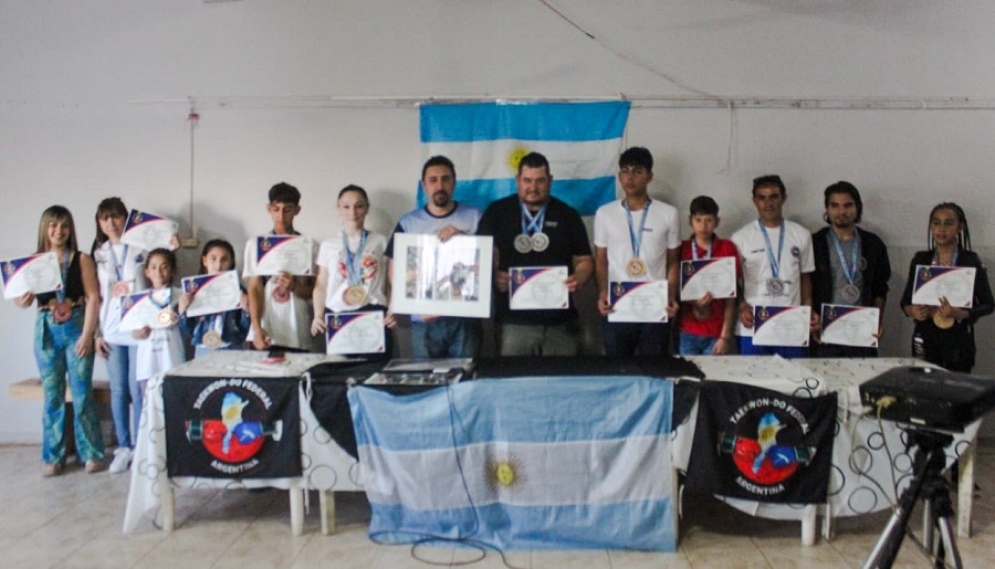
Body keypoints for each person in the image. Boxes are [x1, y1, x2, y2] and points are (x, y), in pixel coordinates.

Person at [16, 206, 105, 476]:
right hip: (46, 329)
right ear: (45, 228)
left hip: (76, 326)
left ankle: (90, 453)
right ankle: (53, 457)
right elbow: (20, 299)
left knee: (81, 394)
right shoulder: (33, 261)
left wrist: (88, 334)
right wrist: (23, 299)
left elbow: (93, 298)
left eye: (64, 226)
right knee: (52, 395)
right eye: (53, 225)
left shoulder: (82, 259)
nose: (59, 231)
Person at [477, 151, 594, 356]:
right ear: (517, 181)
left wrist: (580, 277)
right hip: (513, 324)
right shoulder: (496, 213)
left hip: (561, 323)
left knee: (560, 385)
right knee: (515, 385)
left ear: (550, 181)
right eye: (527, 180)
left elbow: (584, 260)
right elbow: (479, 259)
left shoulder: (567, 215)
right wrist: (492, 276)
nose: (533, 187)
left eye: (540, 180)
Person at [386, 156, 483, 358]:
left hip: (464, 318)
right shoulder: (408, 223)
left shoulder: (474, 216)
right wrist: (413, 306)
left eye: (445, 179)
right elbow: (395, 268)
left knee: (465, 381)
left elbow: (487, 262)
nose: (440, 185)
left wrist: (463, 239)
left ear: (454, 183)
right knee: (426, 380)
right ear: (424, 186)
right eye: (433, 180)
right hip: (424, 320)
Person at [594, 147, 680, 356]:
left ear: (649, 176)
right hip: (618, 306)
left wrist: (669, 296)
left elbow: (673, 262)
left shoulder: (668, 214)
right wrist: (603, 293)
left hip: (655, 307)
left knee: (654, 371)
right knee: (618, 371)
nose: (630, 177)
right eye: (625, 170)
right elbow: (601, 261)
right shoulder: (605, 214)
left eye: (638, 171)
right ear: (619, 176)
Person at [900, 202, 994, 372]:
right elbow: (905, 302)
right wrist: (912, 310)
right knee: (925, 390)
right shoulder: (921, 260)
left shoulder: (969, 261)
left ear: (960, 228)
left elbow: (988, 304)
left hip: (958, 340)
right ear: (930, 227)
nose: (941, 229)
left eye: (949, 223)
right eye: (936, 223)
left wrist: (962, 313)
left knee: (956, 391)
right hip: (925, 337)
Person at [731, 175, 815, 358]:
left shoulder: (802, 234)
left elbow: (805, 276)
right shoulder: (740, 238)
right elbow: (732, 281)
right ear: (754, 201)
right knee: (753, 383)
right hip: (753, 325)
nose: (768, 203)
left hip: (791, 324)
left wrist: (807, 308)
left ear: (783, 198)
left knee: (794, 382)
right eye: (762, 197)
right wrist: (742, 306)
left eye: (773, 196)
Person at [91, 197, 145, 474]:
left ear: (126, 217)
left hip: (137, 328)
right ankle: (123, 447)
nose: (110, 223)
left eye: (115, 216)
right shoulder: (98, 253)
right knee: (119, 389)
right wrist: (97, 333)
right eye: (104, 218)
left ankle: (139, 446)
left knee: (138, 389)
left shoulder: (142, 247)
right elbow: (96, 297)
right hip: (110, 329)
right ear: (99, 223)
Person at [312, 185, 396, 360]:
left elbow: (390, 282)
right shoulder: (329, 245)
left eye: (359, 206)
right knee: (340, 375)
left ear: (367, 208)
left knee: (373, 374)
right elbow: (321, 285)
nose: (353, 212)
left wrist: (393, 310)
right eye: (346, 206)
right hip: (338, 316)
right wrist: (317, 315)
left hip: (373, 313)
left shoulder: (380, 241)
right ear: (338, 209)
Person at [811, 182, 891, 357]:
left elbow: (880, 287)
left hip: (862, 330)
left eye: (848, 205)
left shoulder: (873, 244)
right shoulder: (815, 243)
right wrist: (812, 318)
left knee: (861, 382)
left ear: (857, 208)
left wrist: (877, 320)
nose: (841, 212)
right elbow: (806, 285)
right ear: (827, 209)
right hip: (826, 330)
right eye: (835, 206)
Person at [243, 182, 316, 351]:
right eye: (276, 209)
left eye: (287, 209)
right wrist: (256, 328)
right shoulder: (256, 245)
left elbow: (315, 290)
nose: (281, 216)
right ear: (269, 208)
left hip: (297, 328)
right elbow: (254, 289)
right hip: (266, 328)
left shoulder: (309, 245)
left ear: (297, 210)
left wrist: (295, 287)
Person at [678, 196, 740, 355]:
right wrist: (694, 302)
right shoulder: (681, 249)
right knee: (688, 377)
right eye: (698, 220)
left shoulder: (727, 248)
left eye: (709, 220)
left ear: (717, 221)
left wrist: (725, 336)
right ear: (690, 220)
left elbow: (731, 298)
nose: (703, 226)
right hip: (687, 330)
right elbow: (674, 288)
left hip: (716, 332)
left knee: (714, 378)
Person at [178, 239, 250, 359]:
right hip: (203, 348)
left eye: (224, 259)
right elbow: (188, 331)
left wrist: (247, 311)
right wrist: (182, 312)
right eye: (213, 259)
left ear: (231, 262)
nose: (218, 265)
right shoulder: (193, 291)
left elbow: (245, 330)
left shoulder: (239, 291)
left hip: (231, 346)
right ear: (204, 261)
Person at [133, 248, 187, 384]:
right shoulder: (139, 300)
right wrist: (139, 333)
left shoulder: (182, 295)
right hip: (147, 363)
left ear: (172, 270)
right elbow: (134, 332)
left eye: (164, 267)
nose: (158, 272)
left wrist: (180, 314)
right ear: (147, 272)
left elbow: (189, 328)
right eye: (153, 267)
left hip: (172, 360)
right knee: (148, 403)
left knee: (174, 402)